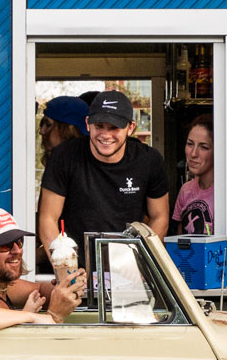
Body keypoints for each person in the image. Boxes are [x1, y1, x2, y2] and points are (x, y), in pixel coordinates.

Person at [37, 90, 170, 265]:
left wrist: (140, 263)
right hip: (77, 267)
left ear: (131, 127)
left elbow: (160, 216)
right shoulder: (64, 156)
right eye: (99, 126)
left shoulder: (148, 160)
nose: (106, 135)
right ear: (87, 124)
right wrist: (65, 267)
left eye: (114, 127)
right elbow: (48, 219)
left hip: (129, 268)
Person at [0, 207, 84, 317]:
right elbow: (16, 335)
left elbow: (40, 290)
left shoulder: (1, 286)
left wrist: (68, 284)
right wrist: (55, 315)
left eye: (19, 242)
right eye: (5, 245)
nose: (17, 250)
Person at [172, 116, 215, 235]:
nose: (193, 153)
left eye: (204, 147)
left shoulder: (225, 193)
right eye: (190, 144)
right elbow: (181, 243)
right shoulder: (185, 190)